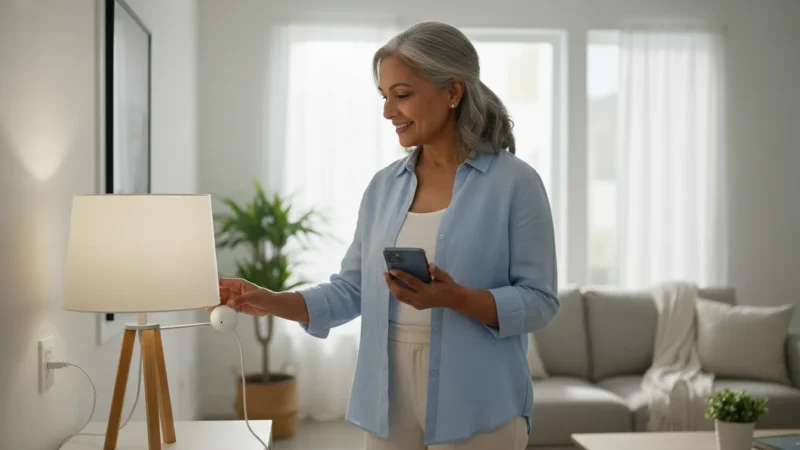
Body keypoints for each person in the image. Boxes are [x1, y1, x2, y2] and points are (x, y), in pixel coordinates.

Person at [215, 21, 560, 450]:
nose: (388, 112)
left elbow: (541, 302)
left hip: (479, 396)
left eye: (402, 95)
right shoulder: (383, 187)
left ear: (453, 92)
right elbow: (351, 289)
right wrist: (268, 299)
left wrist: (453, 298)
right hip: (387, 396)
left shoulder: (516, 183)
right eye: (384, 97)